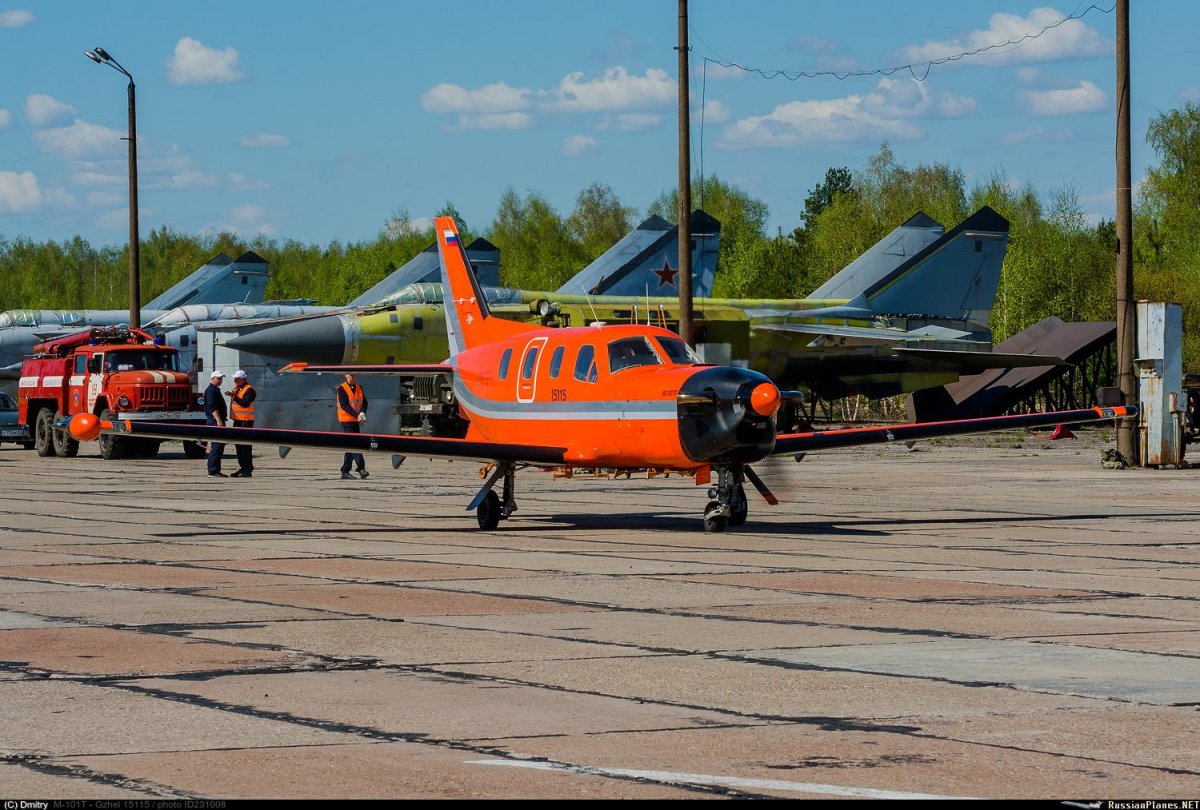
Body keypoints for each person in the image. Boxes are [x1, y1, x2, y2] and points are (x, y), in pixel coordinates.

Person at [336, 371, 369, 479]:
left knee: (350, 445)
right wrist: (357, 415)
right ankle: (361, 469)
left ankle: (345, 471)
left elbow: (364, 402)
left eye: (353, 374)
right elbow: (345, 405)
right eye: (349, 374)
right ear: (345, 375)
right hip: (346, 420)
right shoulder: (341, 388)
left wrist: (362, 413)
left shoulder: (359, 387)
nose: (352, 376)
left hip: (356, 420)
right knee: (355, 444)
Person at [229, 369, 255, 478]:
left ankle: (247, 468)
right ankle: (243, 467)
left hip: (245, 421)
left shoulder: (249, 390)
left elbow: (245, 403)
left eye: (237, 379)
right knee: (239, 446)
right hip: (237, 420)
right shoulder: (238, 388)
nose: (235, 380)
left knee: (245, 446)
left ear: (243, 379)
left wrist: (234, 397)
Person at [204, 370, 228, 477]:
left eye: (221, 378)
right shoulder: (211, 391)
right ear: (212, 379)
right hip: (215, 422)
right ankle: (213, 471)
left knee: (220, 446)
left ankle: (216, 470)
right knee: (216, 446)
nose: (220, 380)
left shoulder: (215, 390)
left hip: (218, 421)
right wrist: (218, 420)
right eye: (218, 378)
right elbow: (212, 407)